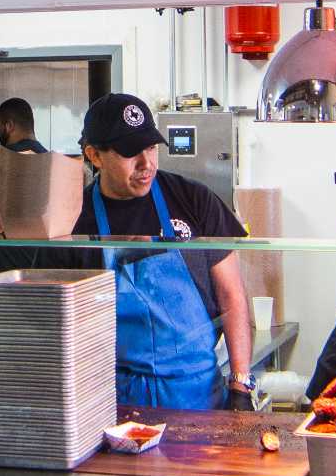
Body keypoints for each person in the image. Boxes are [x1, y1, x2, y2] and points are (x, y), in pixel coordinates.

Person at [65, 93, 255, 411]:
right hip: (112, 396)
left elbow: (231, 295)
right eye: (130, 153)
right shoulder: (73, 219)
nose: (147, 164)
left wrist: (241, 384)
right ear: (94, 155)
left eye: (151, 148)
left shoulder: (194, 200)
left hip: (196, 395)